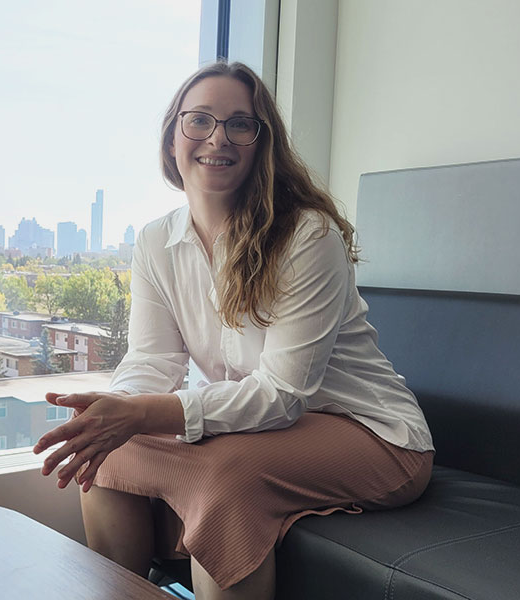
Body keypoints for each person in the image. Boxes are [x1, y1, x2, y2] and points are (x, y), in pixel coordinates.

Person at [33, 60, 435, 600]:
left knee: (223, 474)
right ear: (173, 135)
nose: (217, 138)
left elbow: (284, 395)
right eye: (199, 120)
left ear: (260, 142)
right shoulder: (156, 241)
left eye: (240, 124)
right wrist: (115, 412)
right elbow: (153, 361)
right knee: (108, 449)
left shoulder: (306, 236)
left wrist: (141, 414)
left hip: (371, 435)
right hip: (269, 427)